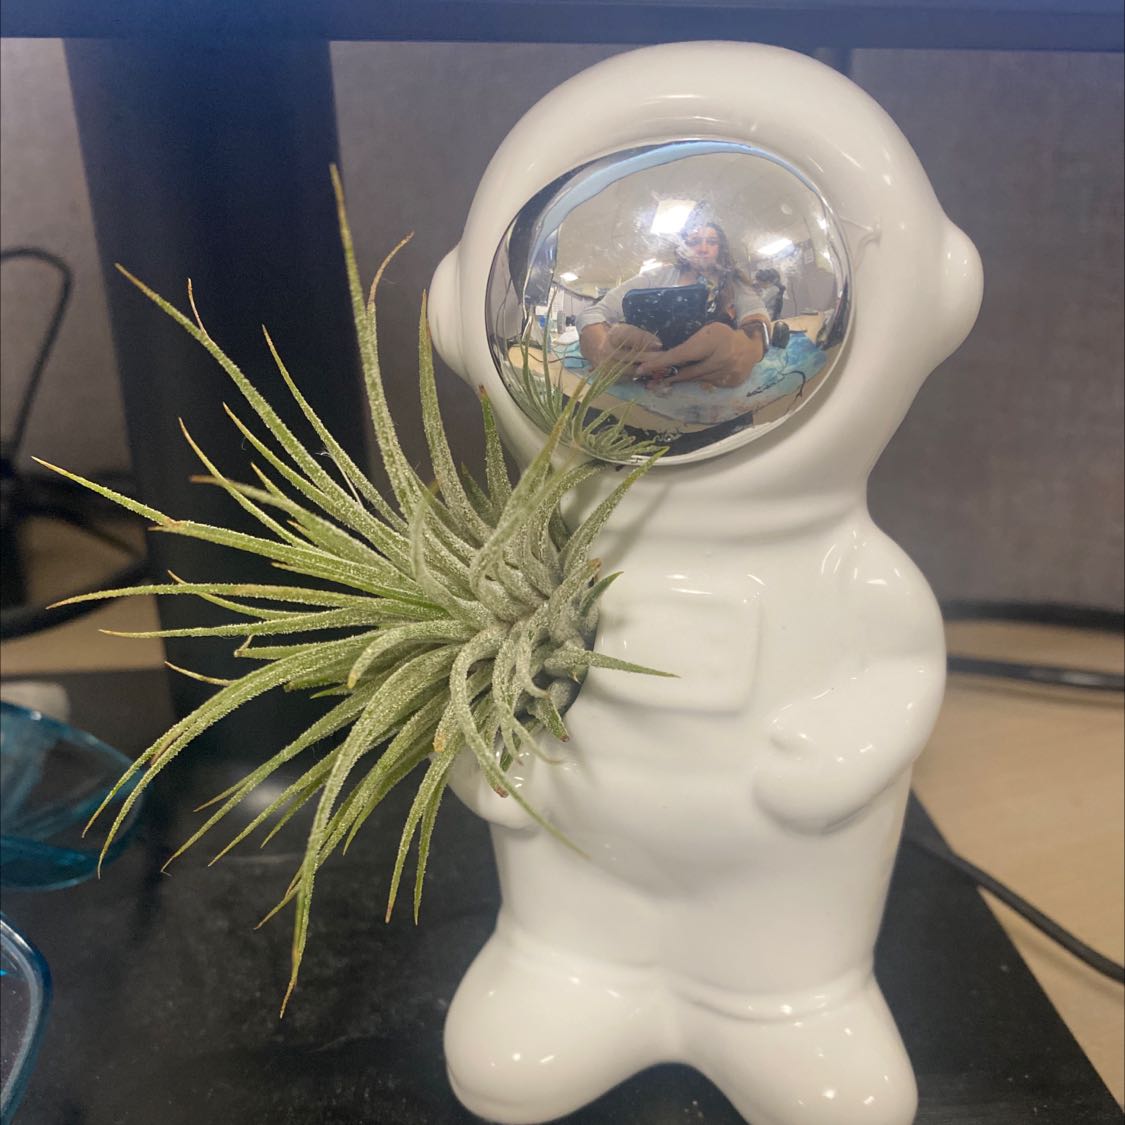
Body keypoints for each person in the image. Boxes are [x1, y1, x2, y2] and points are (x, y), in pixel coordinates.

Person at [577, 215, 770, 388]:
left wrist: (751, 347)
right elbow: (592, 313)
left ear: (721, 248)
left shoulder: (735, 282)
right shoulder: (656, 276)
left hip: (706, 388)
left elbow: (757, 316)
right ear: (683, 247)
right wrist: (601, 350)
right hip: (646, 376)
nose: (703, 249)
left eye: (711, 242)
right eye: (694, 242)